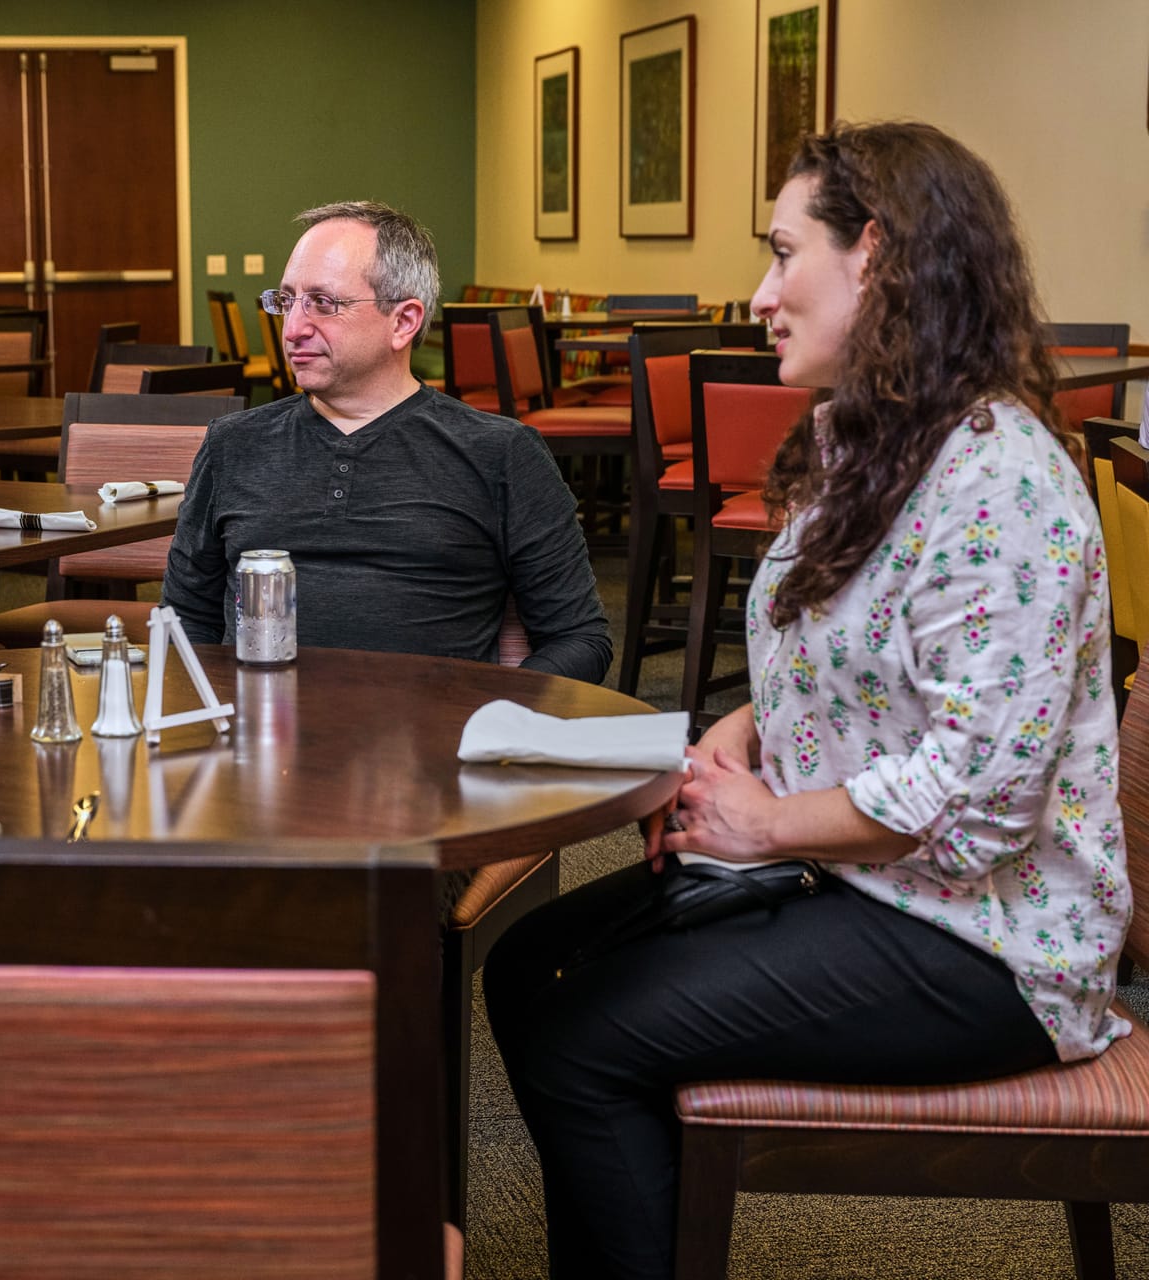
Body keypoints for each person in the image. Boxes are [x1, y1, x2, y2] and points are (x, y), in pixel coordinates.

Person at [483, 122, 1133, 1279]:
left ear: (876, 256)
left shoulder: (1002, 479)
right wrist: (727, 742)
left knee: (586, 1033)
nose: (759, 293)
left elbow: (977, 799)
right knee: (523, 962)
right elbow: (818, 657)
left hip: (987, 942)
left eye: (784, 255)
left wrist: (761, 822)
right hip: (871, 879)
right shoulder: (868, 440)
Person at [160, 200, 609, 681]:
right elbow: (185, 618)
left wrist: (494, 715)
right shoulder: (234, 444)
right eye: (287, 301)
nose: (292, 329)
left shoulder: (501, 453)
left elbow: (580, 639)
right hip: (264, 736)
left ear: (403, 322)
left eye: (324, 304)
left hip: (430, 742)